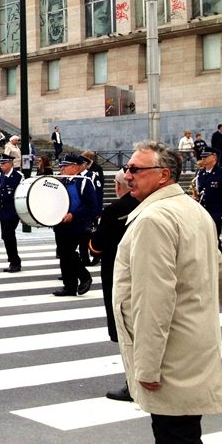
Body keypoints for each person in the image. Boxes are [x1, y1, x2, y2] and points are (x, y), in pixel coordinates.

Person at [114, 140, 222, 444]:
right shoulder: (193, 210)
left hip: (168, 350)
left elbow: (154, 300)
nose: (127, 175)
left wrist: (147, 365)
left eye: (136, 169)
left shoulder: (154, 220)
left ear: (163, 175)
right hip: (194, 342)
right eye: (128, 168)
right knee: (173, 429)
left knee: (179, 436)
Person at [87, 168, 139, 402]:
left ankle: (133, 383)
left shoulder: (115, 210)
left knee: (125, 329)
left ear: (119, 187)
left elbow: (96, 247)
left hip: (119, 274)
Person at [52, 154, 100, 297]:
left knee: (68, 253)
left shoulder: (84, 182)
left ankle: (84, 277)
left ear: (75, 167)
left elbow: (91, 205)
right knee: (63, 254)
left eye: (65, 166)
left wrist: (74, 215)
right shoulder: (62, 181)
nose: (62, 168)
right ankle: (69, 286)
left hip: (76, 224)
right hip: (60, 223)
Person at [194, 148, 222, 250]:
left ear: (214, 157)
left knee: (214, 240)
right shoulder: (200, 173)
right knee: (203, 241)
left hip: (217, 213)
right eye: (202, 157)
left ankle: (218, 263)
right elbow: (199, 191)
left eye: (206, 157)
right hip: (203, 212)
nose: (203, 159)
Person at [0, 154, 23, 273]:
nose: (1, 166)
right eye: (1, 163)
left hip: (13, 210)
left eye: (4, 163)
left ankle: (15, 262)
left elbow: (21, 193)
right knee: (5, 236)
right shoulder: (2, 175)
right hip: (3, 210)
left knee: (8, 235)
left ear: (11, 164)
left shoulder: (18, 176)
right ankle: (12, 260)